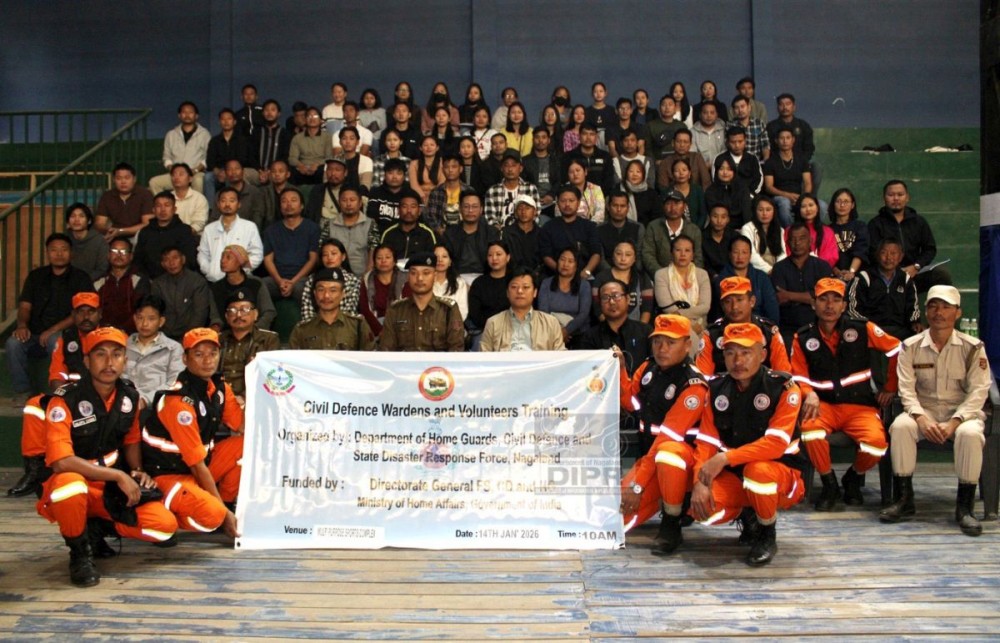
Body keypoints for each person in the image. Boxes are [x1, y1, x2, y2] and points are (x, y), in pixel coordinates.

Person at [36, 326, 177, 587]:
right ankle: (79, 554)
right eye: (100, 355)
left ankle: (96, 529)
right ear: (87, 361)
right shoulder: (64, 400)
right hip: (74, 482)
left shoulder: (130, 396)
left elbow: (132, 440)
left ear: (126, 360)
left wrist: (136, 470)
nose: (109, 362)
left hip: (107, 489)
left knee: (164, 526)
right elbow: (61, 461)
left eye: (116, 354)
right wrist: (118, 475)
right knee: (71, 486)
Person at [690, 322, 806, 566]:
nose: (737, 360)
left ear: (763, 355)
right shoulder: (716, 388)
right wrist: (699, 482)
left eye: (745, 352)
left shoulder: (783, 386)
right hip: (737, 477)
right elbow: (706, 442)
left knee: (758, 471)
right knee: (701, 510)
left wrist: (724, 459)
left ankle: (767, 534)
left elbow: (775, 444)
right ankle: (749, 512)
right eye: (730, 353)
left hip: (781, 475)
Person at [880, 286, 992, 536]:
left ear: (958, 313)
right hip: (924, 412)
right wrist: (920, 418)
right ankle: (904, 499)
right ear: (926, 311)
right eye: (933, 306)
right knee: (900, 426)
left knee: (971, 434)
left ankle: (965, 507)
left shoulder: (973, 347)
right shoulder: (910, 346)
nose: (938, 312)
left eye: (945, 307)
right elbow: (906, 390)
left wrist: (954, 422)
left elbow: (979, 392)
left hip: (961, 415)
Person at [791, 278, 901, 511]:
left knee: (877, 445)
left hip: (860, 406)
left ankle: (853, 477)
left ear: (844, 305)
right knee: (810, 432)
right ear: (813, 304)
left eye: (836, 299)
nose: (829, 305)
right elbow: (797, 376)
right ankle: (829, 483)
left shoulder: (862, 328)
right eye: (823, 299)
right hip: (823, 405)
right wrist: (808, 392)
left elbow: (896, 348)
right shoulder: (802, 336)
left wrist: (891, 386)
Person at [618, 314, 709, 554]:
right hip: (651, 459)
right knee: (615, 514)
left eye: (670, 342)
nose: (662, 348)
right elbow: (630, 402)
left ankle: (672, 523)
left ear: (687, 344)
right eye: (657, 341)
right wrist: (620, 370)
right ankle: (666, 499)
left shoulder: (693, 385)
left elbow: (666, 438)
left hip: (681, 464)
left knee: (668, 453)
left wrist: (638, 484)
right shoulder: (648, 367)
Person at [142, 328, 243, 539]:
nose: (207, 360)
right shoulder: (178, 401)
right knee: (213, 516)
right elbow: (196, 465)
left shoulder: (219, 387)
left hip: (199, 468)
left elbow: (242, 426)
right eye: (199, 354)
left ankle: (222, 504)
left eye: (212, 353)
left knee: (246, 446)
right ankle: (174, 511)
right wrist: (223, 516)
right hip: (169, 474)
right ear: (185, 359)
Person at [7, 233, 94, 404]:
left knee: (57, 341)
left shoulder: (81, 278)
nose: (59, 254)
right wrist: (22, 325)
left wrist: (53, 330)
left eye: (63, 250)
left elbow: (80, 314)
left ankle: (56, 390)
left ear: (71, 253)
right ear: (47, 253)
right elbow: (25, 307)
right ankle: (22, 391)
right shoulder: (35, 276)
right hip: (33, 333)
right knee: (13, 343)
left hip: (64, 333)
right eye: (54, 250)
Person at [867, 179, 949, 292]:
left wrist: (916, 266)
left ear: (907, 197)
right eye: (891, 195)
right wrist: (893, 269)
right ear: (884, 198)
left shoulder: (919, 222)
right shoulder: (875, 224)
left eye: (900, 194)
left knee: (941, 275)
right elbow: (873, 253)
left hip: (914, 273)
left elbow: (929, 249)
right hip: (887, 275)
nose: (896, 198)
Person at [698, 276, 789, 377]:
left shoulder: (769, 332)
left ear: (752, 301)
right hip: (722, 390)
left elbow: (783, 374)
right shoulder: (712, 335)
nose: (734, 307)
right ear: (722, 306)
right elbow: (703, 377)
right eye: (728, 301)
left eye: (739, 299)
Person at [379, 253, 465, 352]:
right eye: (413, 273)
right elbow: (386, 351)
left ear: (435, 276)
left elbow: (456, 350)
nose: (419, 278)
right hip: (404, 366)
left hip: (438, 366)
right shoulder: (396, 310)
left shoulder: (448, 310)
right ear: (408, 277)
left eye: (426, 273)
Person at [770, 222, 835, 348]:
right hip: (788, 328)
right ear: (787, 242)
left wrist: (790, 295)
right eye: (793, 239)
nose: (797, 243)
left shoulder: (822, 266)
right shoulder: (779, 268)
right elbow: (781, 299)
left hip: (818, 325)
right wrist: (810, 297)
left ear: (810, 240)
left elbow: (823, 297)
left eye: (801, 238)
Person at [848, 238, 922, 341]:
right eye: (884, 252)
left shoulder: (905, 279)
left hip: (899, 330)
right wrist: (868, 327)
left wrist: (914, 322)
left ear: (900, 257)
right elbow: (853, 309)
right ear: (877, 255)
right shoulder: (864, 277)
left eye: (893, 253)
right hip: (871, 331)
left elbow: (913, 308)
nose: (888, 257)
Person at [288, 268, 373, 351]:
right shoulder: (302, 329)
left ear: (342, 294)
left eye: (333, 290)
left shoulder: (357, 325)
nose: (326, 296)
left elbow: (371, 358)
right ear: (315, 293)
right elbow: (292, 362)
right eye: (321, 290)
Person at [480, 267, 565, 351]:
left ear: (535, 292)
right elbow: (483, 359)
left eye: (526, 287)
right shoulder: (493, 323)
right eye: (514, 287)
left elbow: (560, 358)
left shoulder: (551, 323)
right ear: (507, 293)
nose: (520, 291)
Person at [261, 187, 320, 304]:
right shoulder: (271, 230)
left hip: (303, 278)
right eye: (284, 201)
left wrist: (293, 282)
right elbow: (268, 260)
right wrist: (280, 281)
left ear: (302, 205)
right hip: (277, 279)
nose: (289, 204)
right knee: (259, 286)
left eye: (293, 200)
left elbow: (313, 259)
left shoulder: (312, 228)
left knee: (302, 289)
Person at [653, 235, 710, 355]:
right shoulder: (661, 275)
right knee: (686, 334)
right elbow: (668, 308)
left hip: (701, 327)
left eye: (687, 250)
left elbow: (705, 307)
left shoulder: (702, 274)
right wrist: (691, 325)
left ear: (693, 254)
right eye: (678, 250)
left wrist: (679, 313)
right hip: (672, 326)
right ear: (671, 253)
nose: (683, 254)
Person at [125, 294, 184, 405]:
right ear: (134, 318)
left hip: (158, 407)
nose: (144, 324)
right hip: (124, 405)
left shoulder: (173, 348)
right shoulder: (123, 345)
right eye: (140, 318)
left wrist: (145, 400)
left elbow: (174, 383)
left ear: (161, 321)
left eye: (151, 318)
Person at [197, 187, 264, 282]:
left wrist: (242, 269)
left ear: (239, 204)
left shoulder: (249, 227)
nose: (227, 204)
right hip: (214, 281)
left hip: (242, 280)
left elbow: (257, 253)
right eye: (223, 201)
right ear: (218, 204)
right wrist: (209, 270)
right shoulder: (209, 229)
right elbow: (203, 254)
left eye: (232, 201)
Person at [208, 245, 276, 331]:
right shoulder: (215, 288)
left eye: (228, 258)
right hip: (227, 336)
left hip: (255, 333)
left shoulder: (256, 283)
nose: (223, 261)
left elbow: (269, 312)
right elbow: (215, 317)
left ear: (240, 261)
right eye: (222, 257)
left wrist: (254, 329)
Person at [134, 191, 198, 280]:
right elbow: (138, 261)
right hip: (150, 281)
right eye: (159, 206)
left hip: (179, 281)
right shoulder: (145, 232)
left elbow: (190, 260)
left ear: (174, 209)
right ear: (153, 210)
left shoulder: (184, 230)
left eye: (167, 205)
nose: (163, 209)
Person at [149, 101, 210, 195]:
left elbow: (207, 157)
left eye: (191, 112)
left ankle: (196, 207)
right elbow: (166, 157)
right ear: (179, 115)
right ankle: (166, 206)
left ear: (196, 116)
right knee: (154, 182)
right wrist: (173, 169)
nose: (187, 115)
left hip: (195, 173)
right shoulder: (171, 134)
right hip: (175, 174)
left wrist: (196, 170)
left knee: (198, 181)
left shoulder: (204, 134)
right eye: (184, 112)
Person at [717, 235, 781, 323]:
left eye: (744, 252)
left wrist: (769, 329)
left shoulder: (761, 277)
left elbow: (772, 309)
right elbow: (718, 313)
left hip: (760, 326)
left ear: (750, 255)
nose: (740, 257)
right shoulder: (721, 280)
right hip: (730, 327)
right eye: (736, 252)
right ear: (730, 254)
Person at [151, 247, 211, 340]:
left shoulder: (197, 281)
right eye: (166, 260)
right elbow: (155, 312)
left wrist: (188, 338)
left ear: (183, 259)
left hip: (190, 335)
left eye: (175, 258)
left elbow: (200, 314)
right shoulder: (158, 284)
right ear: (162, 264)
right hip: (164, 335)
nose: (171, 263)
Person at [641, 190, 703, 279]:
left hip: (688, 278)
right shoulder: (653, 227)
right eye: (668, 203)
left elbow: (698, 258)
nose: (673, 208)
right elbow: (648, 255)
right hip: (660, 277)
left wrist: (689, 276)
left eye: (677, 203)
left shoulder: (693, 230)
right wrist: (663, 275)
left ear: (684, 206)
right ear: (663, 206)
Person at [537, 247, 592, 346]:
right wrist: (558, 332)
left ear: (576, 265)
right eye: (562, 259)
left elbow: (584, 314)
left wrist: (566, 331)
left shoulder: (584, 285)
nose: (565, 264)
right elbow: (543, 311)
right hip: (551, 331)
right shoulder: (546, 283)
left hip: (578, 333)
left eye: (570, 261)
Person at [94, 238, 150, 333]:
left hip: (133, 333)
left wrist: (122, 330)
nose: (119, 255)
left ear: (131, 256)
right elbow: (94, 311)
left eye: (123, 251)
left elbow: (142, 310)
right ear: (108, 255)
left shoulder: (139, 279)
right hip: (104, 333)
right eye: (115, 251)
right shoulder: (99, 281)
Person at [763, 125, 815, 228]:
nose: (785, 141)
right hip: (779, 197)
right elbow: (769, 187)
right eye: (782, 138)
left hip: (799, 196)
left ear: (793, 140)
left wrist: (804, 198)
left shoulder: (802, 160)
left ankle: (809, 230)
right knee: (784, 204)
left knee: (822, 206)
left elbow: (807, 183)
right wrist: (787, 195)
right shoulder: (770, 162)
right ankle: (791, 231)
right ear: (776, 141)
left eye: (788, 138)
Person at [322, 185, 377, 278]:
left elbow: (373, 250)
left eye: (352, 200)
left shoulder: (370, 223)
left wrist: (367, 276)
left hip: (362, 275)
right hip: (334, 276)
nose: (348, 204)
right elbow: (322, 250)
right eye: (344, 200)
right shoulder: (329, 224)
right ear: (339, 202)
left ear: (360, 203)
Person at [443, 191, 499, 283]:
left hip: (485, 278)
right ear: (460, 209)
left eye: (475, 206)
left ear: (481, 209)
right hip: (456, 279)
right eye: (466, 206)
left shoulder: (491, 233)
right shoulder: (450, 234)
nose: (470, 210)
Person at [593, 240, 653, 325]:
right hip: (608, 328)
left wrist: (640, 330)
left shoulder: (642, 277)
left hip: (637, 328)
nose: (623, 258)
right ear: (613, 256)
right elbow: (597, 308)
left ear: (634, 258)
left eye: (628, 255)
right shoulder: (601, 277)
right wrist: (612, 329)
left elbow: (647, 309)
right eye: (618, 254)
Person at [300, 238, 361, 321]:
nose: (329, 257)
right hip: (315, 328)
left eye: (333, 253)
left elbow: (350, 311)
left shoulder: (353, 280)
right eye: (325, 255)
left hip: (344, 327)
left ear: (343, 257)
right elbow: (307, 311)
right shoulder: (312, 279)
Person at [467, 241, 514, 342]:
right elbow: (475, 314)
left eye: (498, 254)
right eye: (490, 255)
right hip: (485, 330)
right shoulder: (479, 283)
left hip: (513, 329)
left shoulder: (515, 281)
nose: (494, 258)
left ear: (508, 257)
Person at [94, 162, 155, 240]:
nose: (123, 182)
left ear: (134, 179)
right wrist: (109, 230)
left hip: (138, 234)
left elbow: (147, 223)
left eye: (127, 178)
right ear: (113, 180)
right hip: (114, 234)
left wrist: (121, 231)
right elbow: (99, 223)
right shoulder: (107, 196)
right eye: (118, 178)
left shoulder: (145, 194)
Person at [484, 151, 541, 229]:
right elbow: (490, 218)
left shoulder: (531, 189)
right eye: (506, 165)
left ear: (520, 168)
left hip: (524, 233)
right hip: (500, 235)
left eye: (514, 165)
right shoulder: (492, 191)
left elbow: (536, 214)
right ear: (501, 168)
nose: (510, 169)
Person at [358, 245, 408, 337]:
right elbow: (364, 309)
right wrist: (379, 331)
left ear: (394, 261)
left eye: (388, 257)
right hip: (374, 327)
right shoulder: (367, 279)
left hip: (401, 327)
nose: (383, 261)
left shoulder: (405, 279)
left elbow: (407, 308)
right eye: (379, 258)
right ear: (374, 262)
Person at [206, 108, 256, 191]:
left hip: (237, 169)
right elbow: (210, 161)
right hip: (219, 171)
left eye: (229, 119)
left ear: (234, 122)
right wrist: (218, 172)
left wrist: (229, 171)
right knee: (208, 178)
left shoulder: (242, 140)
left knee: (232, 175)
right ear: (219, 122)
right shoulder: (214, 141)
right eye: (223, 119)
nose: (226, 122)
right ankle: (211, 204)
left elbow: (244, 159)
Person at [381, 191, 436, 262]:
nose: (409, 210)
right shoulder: (389, 233)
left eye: (413, 207)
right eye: (404, 206)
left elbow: (431, 260)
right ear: (398, 210)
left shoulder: (427, 234)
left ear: (419, 211)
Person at [828, 187, 869, 281]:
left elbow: (861, 251)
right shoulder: (828, 230)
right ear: (833, 204)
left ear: (852, 205)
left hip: (857, 275)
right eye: (838, 201)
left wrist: (851, 272)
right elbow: (826, 256)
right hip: (834, 276)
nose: (842, 205)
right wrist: (837, 272)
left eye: (846, 201)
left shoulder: (860, 226)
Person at [214, 159, 267, 231]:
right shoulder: (220, 194)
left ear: (243, 171)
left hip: (249, 233)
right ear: (225, 173)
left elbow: (258, 218)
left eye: (237, 168)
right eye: (230, 169)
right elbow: (214, 219)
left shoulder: (254, 192)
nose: (233, 172)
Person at [785, 193, 836, 268]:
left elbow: (832, 257)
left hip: (821, 271)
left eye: (811, 205)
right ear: (798, 210)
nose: (808, 209)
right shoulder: (790, 231)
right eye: (803, 206)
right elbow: (788, 253)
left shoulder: (828, 231)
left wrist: (813, 267)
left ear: (817, 208)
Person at [563, 123, 615, 196]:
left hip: (600, 198)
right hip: (574, 198)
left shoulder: (605, 156)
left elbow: (609, 181)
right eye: (585, 134)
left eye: (592, 134)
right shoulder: (569, 156)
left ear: (596, 137)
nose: (588, 137)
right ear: (579, 136)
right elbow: (565, 179)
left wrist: (600, 196)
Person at [766, 93, 816, 167]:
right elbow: (768, 148)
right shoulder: (770, 127)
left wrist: (801, 162)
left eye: (788, 104)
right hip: (777, 165)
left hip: (800, 164)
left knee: (816, 167)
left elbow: (809, 148)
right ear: (777, 108)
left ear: (794, 107)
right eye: (781, 104)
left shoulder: (803, 126)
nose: (785, 107)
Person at [598, 192, 646, 270]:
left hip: (633, 274)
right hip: (607, 274)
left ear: (628, 208)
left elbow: (639, 256)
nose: (619, 209)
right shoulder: (599, 229)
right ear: (608, 207)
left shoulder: (638, 228)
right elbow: (600, 258)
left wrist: (631, 274)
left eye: (622, 206)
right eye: (615, 205)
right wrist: (613, 274)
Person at [424, 154, 471, 234]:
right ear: (442, 170)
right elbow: (431, 217)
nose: (450, 170)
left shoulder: (469, 191)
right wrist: (440, 231)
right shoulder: (436, 192)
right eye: (446, 167)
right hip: (441, 234)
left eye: (454, 167)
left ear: (461, 169)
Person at [741, 195, 786, 274]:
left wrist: (777, 270)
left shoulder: (780, 230)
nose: (764, 213)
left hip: (777, 271)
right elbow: (751, 255)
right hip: (756, 271)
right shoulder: (747, 228)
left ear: (774, 211)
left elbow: (783, 253)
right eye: (760, 210)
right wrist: (769, 270)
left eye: (768, 210)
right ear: (755, 211)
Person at [288, 107, 333, 185]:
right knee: (291, 171)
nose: (312, 118)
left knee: (323, 171)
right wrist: (300, 165)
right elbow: (292, 158)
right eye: (309, 116)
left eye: (315, 116)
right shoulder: (297, 138)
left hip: (319, 167)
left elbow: (329, 157)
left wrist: (317, 164)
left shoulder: (327, 137)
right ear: (305, 120)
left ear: (321, 120)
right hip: (302, 166)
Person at [656, 129, 711, 193]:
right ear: (673, 143)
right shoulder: (665, 162)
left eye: (685, 142)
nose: (682, 145)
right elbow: (663, 187)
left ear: (690, 144)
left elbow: (706, 182)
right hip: (673, 198)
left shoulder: (697, 157)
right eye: (678, 141)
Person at [716, 125, 763, 199]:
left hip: (750, 197)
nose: (737, 145)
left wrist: (750, 195)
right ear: (727, 142)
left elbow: (758, 179)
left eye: (740, 141)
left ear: (745, 141)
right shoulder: (720, 158)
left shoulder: (752, 159)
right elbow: (716, 179)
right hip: (725, 197)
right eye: (733, 142)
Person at [251, 99, 293, 181]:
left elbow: (285, 156)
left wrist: (270, 171)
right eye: (266, 110)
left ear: (279, 114)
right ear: (263, 113)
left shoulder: (285, 134)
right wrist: (260, 170)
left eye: (273, 110)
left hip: (276, 172)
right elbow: (251, 155)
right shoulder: (257, 132)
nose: (269, 113)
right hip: (257, 171)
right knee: (244, 173)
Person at [368, 158, 411, 235]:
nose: (394, 177)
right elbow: (371, 220)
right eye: (390, 173)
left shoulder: (412, 195)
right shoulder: (375, 193)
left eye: (399, 173)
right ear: (384, 174)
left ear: (404, 176)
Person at [65, 203, 108, 281]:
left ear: (89, 221)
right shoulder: (64, 240)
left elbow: (102, 269)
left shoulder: (99, 241)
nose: (76, 220)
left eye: (81, 216)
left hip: (93, 282)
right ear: (68, 222)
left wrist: (83, 280)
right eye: (73, 216)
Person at [432, 244, 469, 320]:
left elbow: (462, 312)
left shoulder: (459, 283)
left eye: (444, 256)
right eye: (436, 257)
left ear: (450, 261)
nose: (440, 260)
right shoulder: (425, 281)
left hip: (452, 327)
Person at [170, 163, 210, 235]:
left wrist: (181, 235)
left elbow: (199, 224)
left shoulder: (199, 199)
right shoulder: (168, 198)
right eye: (174, 174)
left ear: (190, 179)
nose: (176, 177)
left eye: (181, 174)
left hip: (193, 237)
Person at [729, 94, 770, 163]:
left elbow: (765, 145)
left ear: (749, 107)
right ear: (733, 111)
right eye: (737, 108)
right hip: (735, 164)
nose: (740, 110)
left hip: (756, 163)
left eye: (742, 106)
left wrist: (766, 161)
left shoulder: (759, 123)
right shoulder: (730, 125)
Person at [645, 94, 685, 163]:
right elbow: (647, 148)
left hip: (679, 163)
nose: (667, 107)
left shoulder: (681, 126)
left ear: (675, 108)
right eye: (664, 105)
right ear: (659, 108)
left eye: (670, 105)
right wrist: (654, 161)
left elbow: (686, 147)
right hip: (657, 163)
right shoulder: (651, 125)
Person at [565, 157, 605, 224]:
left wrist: (588, 227)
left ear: (585, 172)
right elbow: (559, 214)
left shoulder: (596, 189)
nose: (575, 174)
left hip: (591, 227)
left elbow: (600, 213)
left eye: (578, 170)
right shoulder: (563, 190)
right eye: (571, 172)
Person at [668, 158, 706, 228]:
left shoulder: (697, 190)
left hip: (695, 230)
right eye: (677, 171)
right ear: (673, 174)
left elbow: (703, 214)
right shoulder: (667, 192)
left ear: (690, 173)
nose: (681, 173)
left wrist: (695, 230)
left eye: (684, 170)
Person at [701, 204, 736, 278]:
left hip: (732, 276)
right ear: (709, 217)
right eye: (715, 216)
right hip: (709, 278)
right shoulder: (702, 237)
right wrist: (714, 275)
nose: (719, 221)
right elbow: (702, 263)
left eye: (723, 217)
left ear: (728, 219)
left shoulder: (735, 237)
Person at [620, 160, 658, 225]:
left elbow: (656, 217)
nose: (634, 174)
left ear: (643, 175)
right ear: (626, 173)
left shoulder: (651, 194)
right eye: (631, 171)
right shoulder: (619, 190)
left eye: (638, 172)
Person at [690, 102, 727, 170]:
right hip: (700, 168)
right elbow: (693, 154)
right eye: (705, 113)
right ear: (700, 115)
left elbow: (725, 150)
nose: (709, 115)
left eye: (712, 112)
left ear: (717, 115)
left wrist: (715, 163)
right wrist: (703, 166)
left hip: (721, 167)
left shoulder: (724, 129)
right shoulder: (693, 132)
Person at [409, 135, 444, 204]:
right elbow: (414, 185)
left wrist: (431, 197)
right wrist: (423, 197)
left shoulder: (443, 163)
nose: (429, 147)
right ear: (420, 148)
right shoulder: (414, 164)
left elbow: (442, 183)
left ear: (437, 148)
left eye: (432, 145)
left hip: (438, 196)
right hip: (418, 197)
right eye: (425, 145)